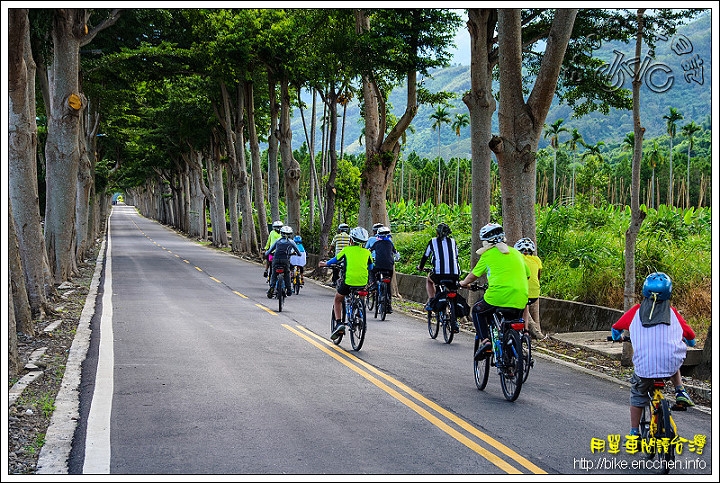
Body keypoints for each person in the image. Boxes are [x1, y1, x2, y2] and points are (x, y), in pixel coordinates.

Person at [610, 272, 696, 437]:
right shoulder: (673, 313)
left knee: (638, 395)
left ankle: (634, 433)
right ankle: (680, 391)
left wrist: (617, 338)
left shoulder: (636, 311)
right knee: (673, 358)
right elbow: (690, 336)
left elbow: (616, 328)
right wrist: (691, 343)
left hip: (645, 369)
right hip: (670, 364)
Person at [458, 223, 530, 360]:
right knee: (509, 325)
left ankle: (486, 341)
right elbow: (527, 275)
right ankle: (512, 359)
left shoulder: (488, 255)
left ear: (486, 241)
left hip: (497, 297)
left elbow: (474, 275)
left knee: (477, 310)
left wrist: (463, 283)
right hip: (520, 298)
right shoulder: (516, 253)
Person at [319, 227, 374, 341]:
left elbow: (335, 260)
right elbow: (370, 267)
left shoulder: (346, 250)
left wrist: (325, 264)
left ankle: (339, 323)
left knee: (338, 299)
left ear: (351, 240)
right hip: (363, 282)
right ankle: (360, 312)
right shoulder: (367, 252)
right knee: (361, 293)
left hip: (348, 282)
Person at [416, 223, 461, 312]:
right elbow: (456, 256)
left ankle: (432, 300)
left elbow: (425, 256)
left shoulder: (432, 241)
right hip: (455, 274)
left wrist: (421, 267)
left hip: (438, 275)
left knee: (429, 279)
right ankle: (454, 315)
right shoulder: (453, 241)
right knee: (452, 290)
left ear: (437, 232)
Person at [514, 237, 544, 339]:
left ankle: (517, 329)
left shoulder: (517, 258)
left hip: (520, 292)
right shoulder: (537, 260)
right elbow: (538, 276)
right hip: (534, 294)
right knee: (525, 306)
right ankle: (526, 330)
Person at [368, 226, 400, 314]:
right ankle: (389, 306)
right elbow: (397, 254)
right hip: (389, 267)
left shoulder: (377, 243)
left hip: (378, 266)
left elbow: (369, 251)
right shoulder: (390, 244)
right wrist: (397, 259)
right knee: (388, 285)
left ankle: (374, 284)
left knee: (372, 272)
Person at [265, 225, 300, 298]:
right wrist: (298, 254)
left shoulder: (278, 241)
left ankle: (272, 286)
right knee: (287, 273)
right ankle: (289, 289)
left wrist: (266, 253)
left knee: (274, 273)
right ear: (290, 234)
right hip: (285, 260)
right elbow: (298, 252)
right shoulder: (291, 242)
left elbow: (269, 250)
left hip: (276, 259)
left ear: (281, 233)